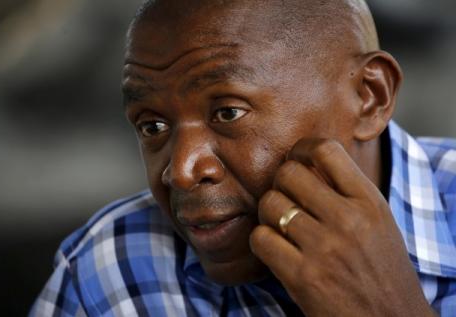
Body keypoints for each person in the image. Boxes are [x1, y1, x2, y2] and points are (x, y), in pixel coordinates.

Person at [30, 0, 456, 316]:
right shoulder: (109, 270)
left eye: (228, 113)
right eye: (152, 126)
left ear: (369, 96)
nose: (181, 171)